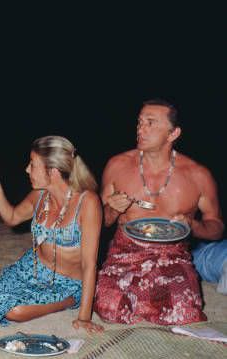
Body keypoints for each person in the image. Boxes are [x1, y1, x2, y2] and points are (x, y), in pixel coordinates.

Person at [94, 99, 223, 325]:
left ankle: (199, 267)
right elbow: (98, 223)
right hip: (124, 253)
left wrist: (193, 225)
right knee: (109, 309)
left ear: (173, 133)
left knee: (183, 312)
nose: (140, 129)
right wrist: (112, 211)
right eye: (139, 122)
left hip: (172, 256)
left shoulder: (198, 175)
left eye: (150, 123)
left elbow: (216, 228)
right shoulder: (117, 165)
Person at [0, 136, 104, 333]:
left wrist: (84, 316)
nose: (27, 169)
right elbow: (12, 217)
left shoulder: (87, 203)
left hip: (66, 284)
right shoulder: (40, 196)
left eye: (32, 165)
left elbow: (89, 264)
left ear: (52, 171)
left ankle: (68, 301)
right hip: (32, 270)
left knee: (14, 311)